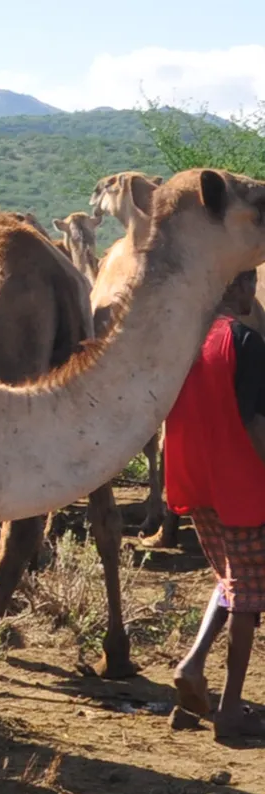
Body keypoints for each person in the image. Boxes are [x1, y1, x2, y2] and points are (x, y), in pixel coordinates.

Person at [167, 269, 265, 742]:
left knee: (233, 575)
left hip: (194, 478)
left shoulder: (185, 340)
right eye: (248, 283)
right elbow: (253, 424)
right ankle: (230, 709)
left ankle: (191, 664)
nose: (254, 292)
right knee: (248, 594)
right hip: (240, 482)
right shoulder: (245, 342)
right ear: (233, 287)